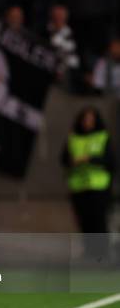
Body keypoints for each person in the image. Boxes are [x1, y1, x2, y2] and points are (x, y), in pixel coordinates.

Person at [61, 107, 113, 254]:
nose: (87, 122)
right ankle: (89, 252)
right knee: (85, 222)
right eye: (85, 119)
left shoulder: (102, 136)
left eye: (91, 119)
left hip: (98, 186)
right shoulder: (73, 138)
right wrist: (73, 161)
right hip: (78, 186)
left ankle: (102, 253)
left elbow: (110, 161)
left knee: (99, 221)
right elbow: (64, 159)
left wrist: (89, 159)